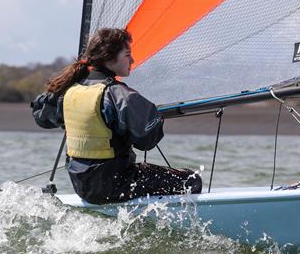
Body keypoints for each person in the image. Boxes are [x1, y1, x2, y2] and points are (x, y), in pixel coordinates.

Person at [43, 28, 202, 205]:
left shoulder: (68, 91)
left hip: (82, 187)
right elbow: (147, 141)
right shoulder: (119, 94)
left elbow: (41, 117)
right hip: (117, 185)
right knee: (192, 180)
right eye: (127, 55)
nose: (132, 60)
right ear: (110, 58)